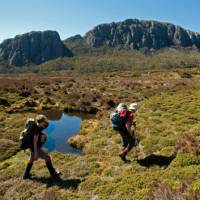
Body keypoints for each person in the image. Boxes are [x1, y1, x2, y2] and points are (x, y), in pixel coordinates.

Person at [23, 114, 60, 180]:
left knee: (31, 159)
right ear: (41, 121)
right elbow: (35, 142)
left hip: (31, 147)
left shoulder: (34, 125)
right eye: (44, 122)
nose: (44, 123)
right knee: (47, 158)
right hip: (35, 148)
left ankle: (26, 174)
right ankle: (53, 173)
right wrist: (36, 153)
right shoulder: (36, 130)